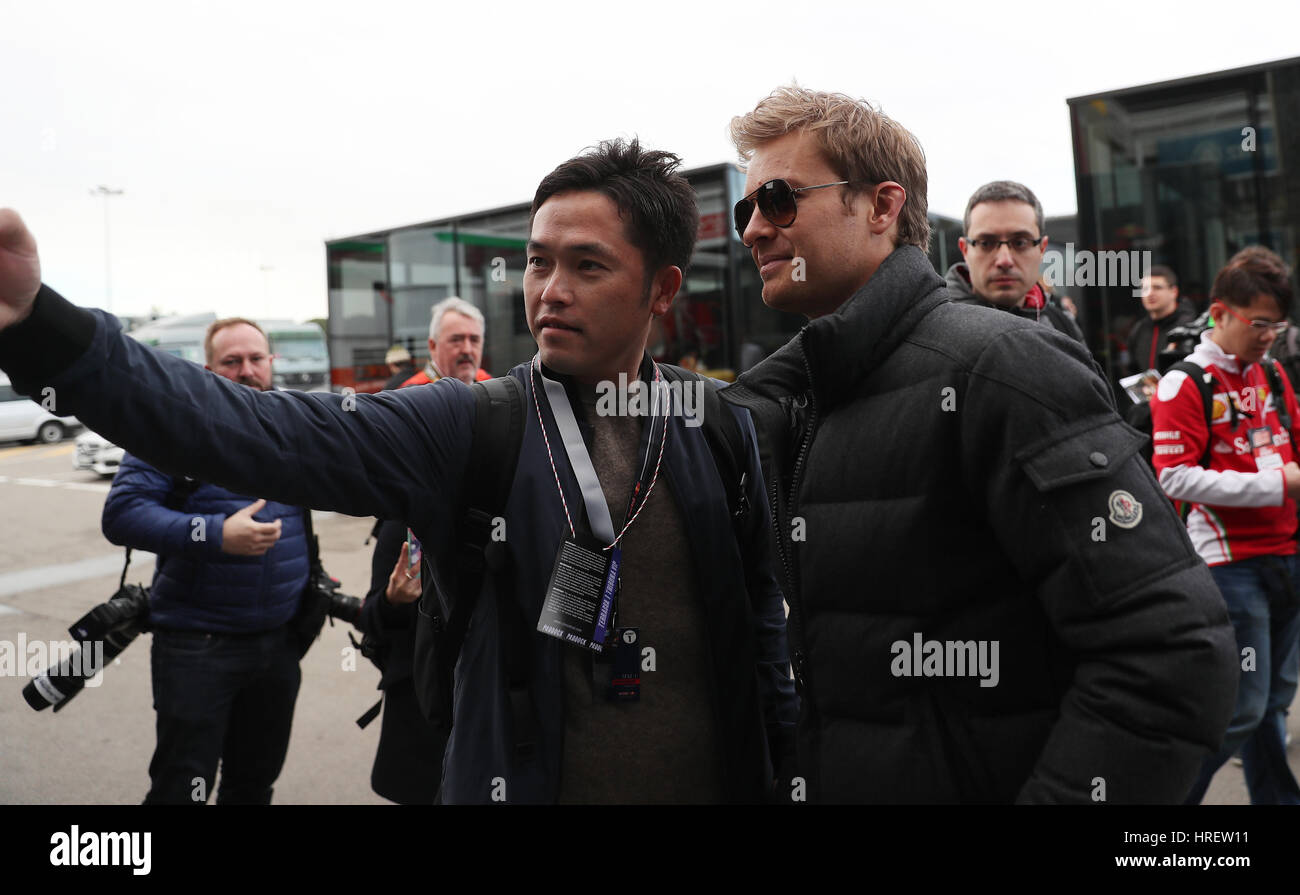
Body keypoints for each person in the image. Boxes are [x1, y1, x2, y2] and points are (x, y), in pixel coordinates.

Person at [0, 139, 796, 805]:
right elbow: (251, 430)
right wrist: (42, 326)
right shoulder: (469, 422)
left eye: (587, 265)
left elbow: (762, 620)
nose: (549, 292)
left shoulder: (717, 425)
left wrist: (787, 763)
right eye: (537, 262)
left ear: (662, 290)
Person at [719, 85, 1237, 803]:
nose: (751, 230)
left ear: (882, 206)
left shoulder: (1003, 367)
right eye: (746, 210)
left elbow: (1173, 652)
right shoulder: (796, 400)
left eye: (777, 200)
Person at [101, 317, 310, 804]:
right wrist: (215, 534)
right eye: (231, 361)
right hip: (198, 646)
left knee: (253, 783)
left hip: (277, 647)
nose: (247, 371)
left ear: (271, 363)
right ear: (208, 368)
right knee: (181, 788)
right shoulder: (174, 428)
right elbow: (122, 514)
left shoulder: (293, 425)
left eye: (256, 359)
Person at [1150, 246, 1300, 805]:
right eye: (1258, 323)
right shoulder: (1183, 383)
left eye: (1276, 325)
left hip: (1287, 555)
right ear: (1221, 312)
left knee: (1270, 703)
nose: (1268, 336)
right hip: (1230, 567)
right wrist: (1274, 486)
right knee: (1243, 707)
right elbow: (1174, 478)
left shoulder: (1274, 373)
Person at [945, 181, 1085, 344]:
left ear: (1042, 249)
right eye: (986, 243)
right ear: (965, 250)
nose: (1004, 260)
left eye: (1020, 243)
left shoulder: (1063, 325)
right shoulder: (936, 330)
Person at [400, 296, 490, 387]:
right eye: (456, 340)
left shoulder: (489, 384)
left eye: (474, 340)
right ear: (433, 346)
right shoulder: (412, 395)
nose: (467, 350)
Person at [1124, 265, 1197, 376]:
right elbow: (1132, 369)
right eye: (1145, 289)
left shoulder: (1189, 327)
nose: (1150, 294)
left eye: (1157, 288)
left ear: (1174, 291)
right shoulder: (1138, 330)